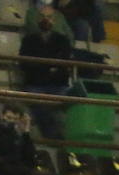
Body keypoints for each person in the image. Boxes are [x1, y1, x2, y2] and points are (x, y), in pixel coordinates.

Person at [18, 5, 74, 139]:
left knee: (72, 103)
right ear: (37, 19)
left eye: (49, 17)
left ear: (54, 20)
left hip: (58, 85)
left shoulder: (63, 40)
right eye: (43, 17)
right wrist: (50, 68)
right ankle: (53, 136)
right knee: (39, 104)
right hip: (35, 85)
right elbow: (24, 64)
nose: (46, 20)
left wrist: (41, 67)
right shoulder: (29, 40)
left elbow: (64, 66)